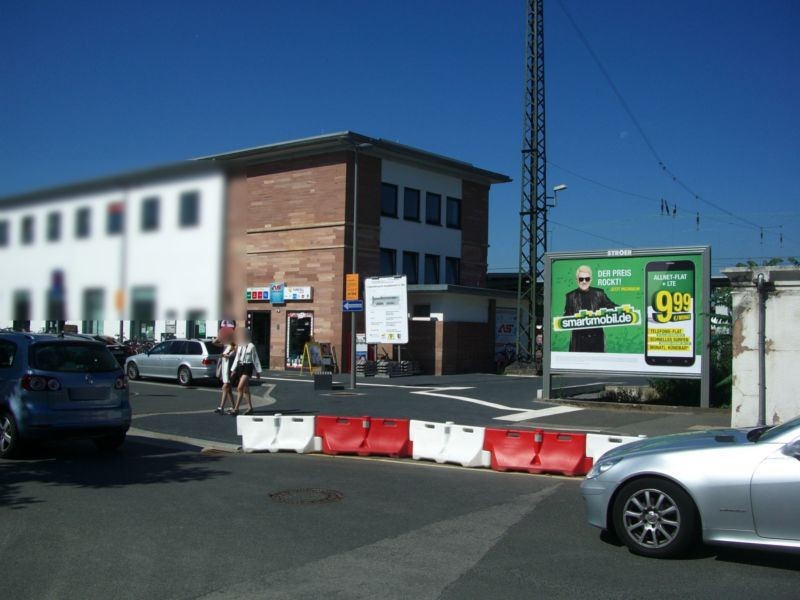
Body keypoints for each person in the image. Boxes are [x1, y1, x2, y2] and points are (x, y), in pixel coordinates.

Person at [563, 265, 618, 353]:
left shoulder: (599, 294)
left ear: (591, 280)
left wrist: (625, 311)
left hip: (596, 338)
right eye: (581, 279)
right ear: (577, 280)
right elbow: (566, 316)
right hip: (578, 340)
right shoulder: (570, 296)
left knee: (598, 364)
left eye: (587, 279)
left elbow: (612, 306)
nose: (584, 281)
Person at [230, 329, 262, 416]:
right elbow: (237, 358)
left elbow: (255, 359)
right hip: (240, 367)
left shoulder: (251, 346)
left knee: (239, 387)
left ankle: (236, 409)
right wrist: (233, 370)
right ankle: (250, 408)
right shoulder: (240, 345)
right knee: (245, 389)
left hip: (248, 367)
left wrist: (258, 371)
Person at [213, 337, 238, 415]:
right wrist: (219, 337)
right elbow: (214, 343)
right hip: (225, 370)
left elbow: (229, 356)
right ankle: (233, 407)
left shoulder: (234, 347)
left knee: (225, 387)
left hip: (229, 370)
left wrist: (222, 355)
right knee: (229, 390)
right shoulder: (227, 346)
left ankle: (221, 407)